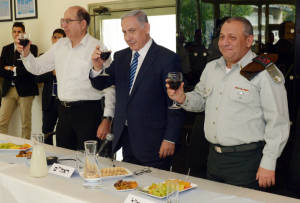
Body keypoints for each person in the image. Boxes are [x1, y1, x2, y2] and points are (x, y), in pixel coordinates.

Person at [167, 17, 290, 189]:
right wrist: (182, 98)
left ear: (249, 40)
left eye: (232, 37)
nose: (224, 42)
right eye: (222, 37)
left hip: (246, 162)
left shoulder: (264, 72)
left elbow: (278, 122)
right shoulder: (211, 68)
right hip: (213, 158)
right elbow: (201, 100)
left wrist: (268, 163)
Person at [90, 10, 185, 170]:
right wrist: (97, 67)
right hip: (126, 139)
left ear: (146, 28)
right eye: (124, 32)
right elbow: (101, 83)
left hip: (155, 141)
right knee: (130, 187)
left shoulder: (167, 58)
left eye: (132, 31)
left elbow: (175, 102)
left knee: (153, 189)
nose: (127, 37)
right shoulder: (121, 57)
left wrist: (170, 138)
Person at [17, 6, 115, 150]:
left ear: (82, 24)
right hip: (63, 112)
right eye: (63, 21)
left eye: (68, 21)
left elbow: (109, 86)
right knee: (63, 159)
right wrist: (26, 54)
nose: (63, 25)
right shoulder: (60, 45)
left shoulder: (97, 47)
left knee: (87, 162)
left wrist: (107, 119)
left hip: (88, 113)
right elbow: (37, 68)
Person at [0, 22, 38, 139]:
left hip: (25, 90)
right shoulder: (6, 49)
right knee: (2, 122)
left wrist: (11, 68)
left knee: (25, 124)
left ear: (24, 33)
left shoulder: (31, 48)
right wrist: (16, 69)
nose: (16, 34)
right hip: (9, 90)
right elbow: (1, 70)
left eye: (19, 32)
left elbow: (28, 69)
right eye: (14, 31)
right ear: (12, 33)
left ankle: (25, 150)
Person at [37, 28, 66, 145]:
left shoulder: (70, 57)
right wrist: (52, 72)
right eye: (55, 37)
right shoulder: (43, 56)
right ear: (51, 39)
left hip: (64, 100)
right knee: (46, 131)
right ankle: (48, 157)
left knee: (63, 133)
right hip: (49, 100)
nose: (57, 40)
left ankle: (62, 158)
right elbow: (37, 78)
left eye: (60, 38)